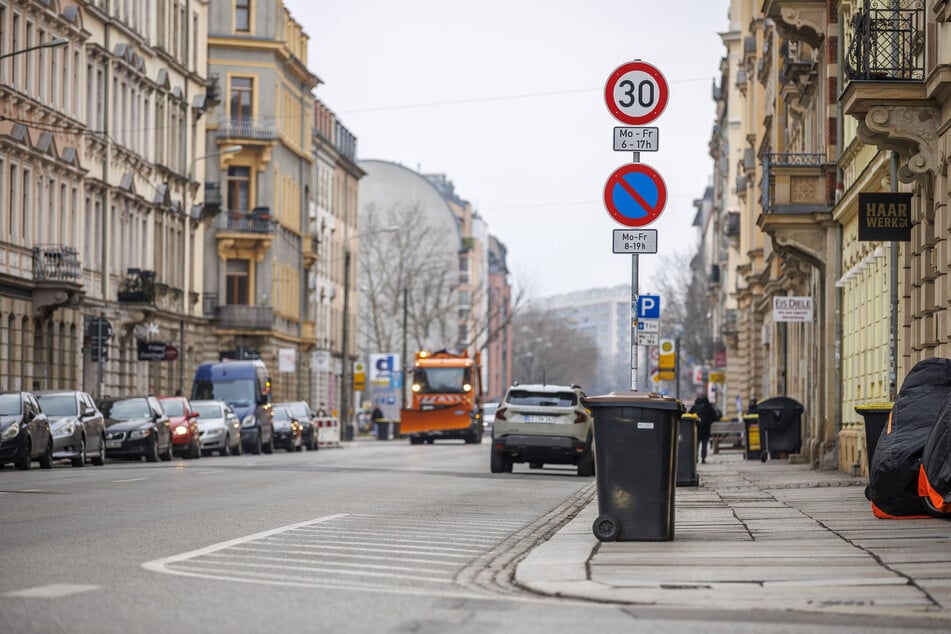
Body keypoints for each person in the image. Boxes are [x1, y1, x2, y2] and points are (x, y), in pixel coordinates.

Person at [689, 394, 719, 464]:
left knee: (696, 444)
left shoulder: (694, 407)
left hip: (697, 429)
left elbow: (689, 415)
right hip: (706, 429)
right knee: (704, 445)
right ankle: (703, 458)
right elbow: (714, 417)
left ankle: (695, 458)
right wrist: (708, 421)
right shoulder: (709, 407)